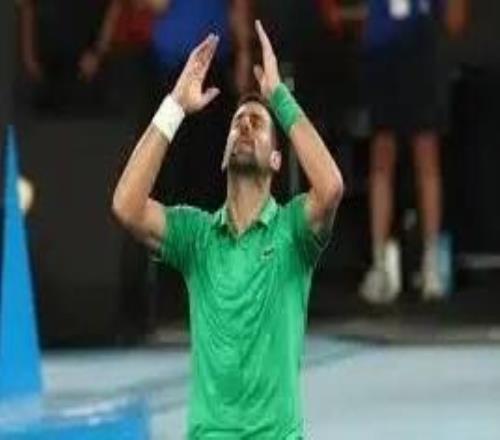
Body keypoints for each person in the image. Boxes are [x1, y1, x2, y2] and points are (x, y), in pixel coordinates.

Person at [112, 20, 344, 439]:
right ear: (222, 156)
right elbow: (126, 206)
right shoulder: (196, 236)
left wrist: (279, 98)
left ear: (276, 161)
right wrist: (175, 106)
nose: (245, 127)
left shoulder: (292, 230)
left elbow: (330, 188)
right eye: (238, 122)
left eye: (257, 123)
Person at [323, 0, 467, 304]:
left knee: (426, 154)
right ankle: (381, 263)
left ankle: (431, 262)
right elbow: (344, 14)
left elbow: (455, 20)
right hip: (382, 53)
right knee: (382, 155)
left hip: (422, 52)